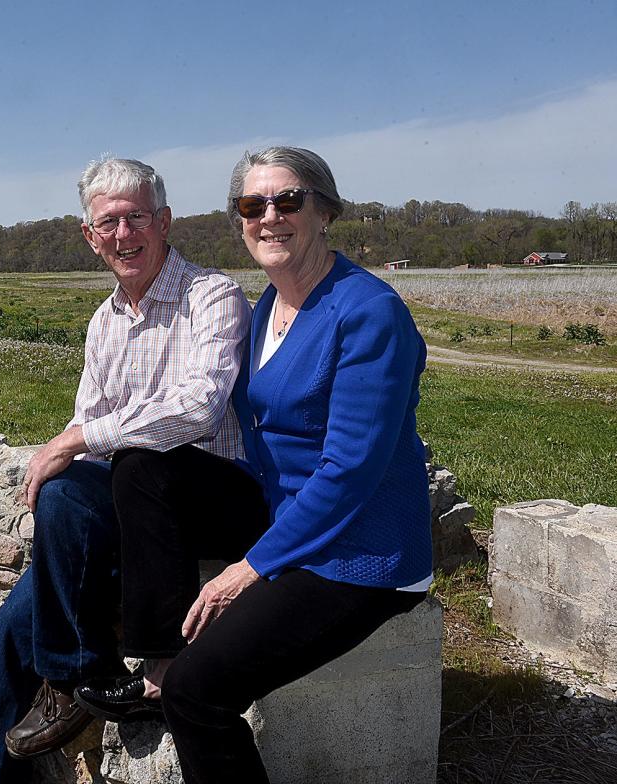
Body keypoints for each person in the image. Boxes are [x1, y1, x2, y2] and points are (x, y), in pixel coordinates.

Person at [80, 146, 433, 783]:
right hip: (284, 523)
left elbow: (351, 470)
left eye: (287, 200)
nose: (268, 216)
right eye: (252, 204)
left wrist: (249, 568)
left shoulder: (368, 312)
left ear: (324, 212)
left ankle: (175, 680)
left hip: (357, 556)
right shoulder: (266, 308)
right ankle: (127, 658)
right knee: (142, 469)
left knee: (196, 690)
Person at [0, 156, 268, 784]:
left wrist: (77, 439)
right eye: (109, 224)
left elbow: (198, 410)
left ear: (164, 221)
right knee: (23, 609)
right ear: (89, 236)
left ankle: (91, 672)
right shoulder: (106, 322)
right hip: (132, 503)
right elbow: (89, 446)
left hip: (206, 499)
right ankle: (42, 712)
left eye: (136, 219)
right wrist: (72, 455)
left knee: (116, 467)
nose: (123, 235)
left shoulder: (212, 296)